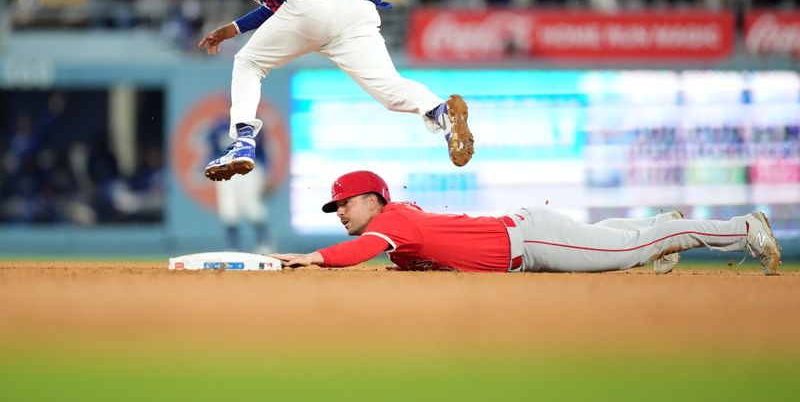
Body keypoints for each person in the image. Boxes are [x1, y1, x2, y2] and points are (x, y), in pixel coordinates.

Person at [170, 0, 474, 181]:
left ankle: (243, 142)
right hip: (351, 3)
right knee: (391, 91)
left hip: (314, 2)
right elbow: (279, 2)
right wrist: (235, 28)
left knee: (248, 63)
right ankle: (440, 111)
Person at [272, 171, 783, 275]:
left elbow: (358, 252)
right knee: (620, 241)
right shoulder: (399, 225)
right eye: (335, 207)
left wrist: (313, 257)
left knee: (628, 253)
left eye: (345, 203)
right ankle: (658, 226)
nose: (339, 212)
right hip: (525, 233)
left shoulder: (394, 221)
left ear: (375, 200)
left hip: (530, 240)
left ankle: (743, 227)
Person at [207, 117, 271, 252]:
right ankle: (233, 245)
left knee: (253, 207)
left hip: (250, 169)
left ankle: (263, 243)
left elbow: (263, 151)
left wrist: (265, 174)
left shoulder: (253, 123)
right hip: (226, 168)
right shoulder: (220, 125)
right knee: (228, 208)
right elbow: (212, 148)